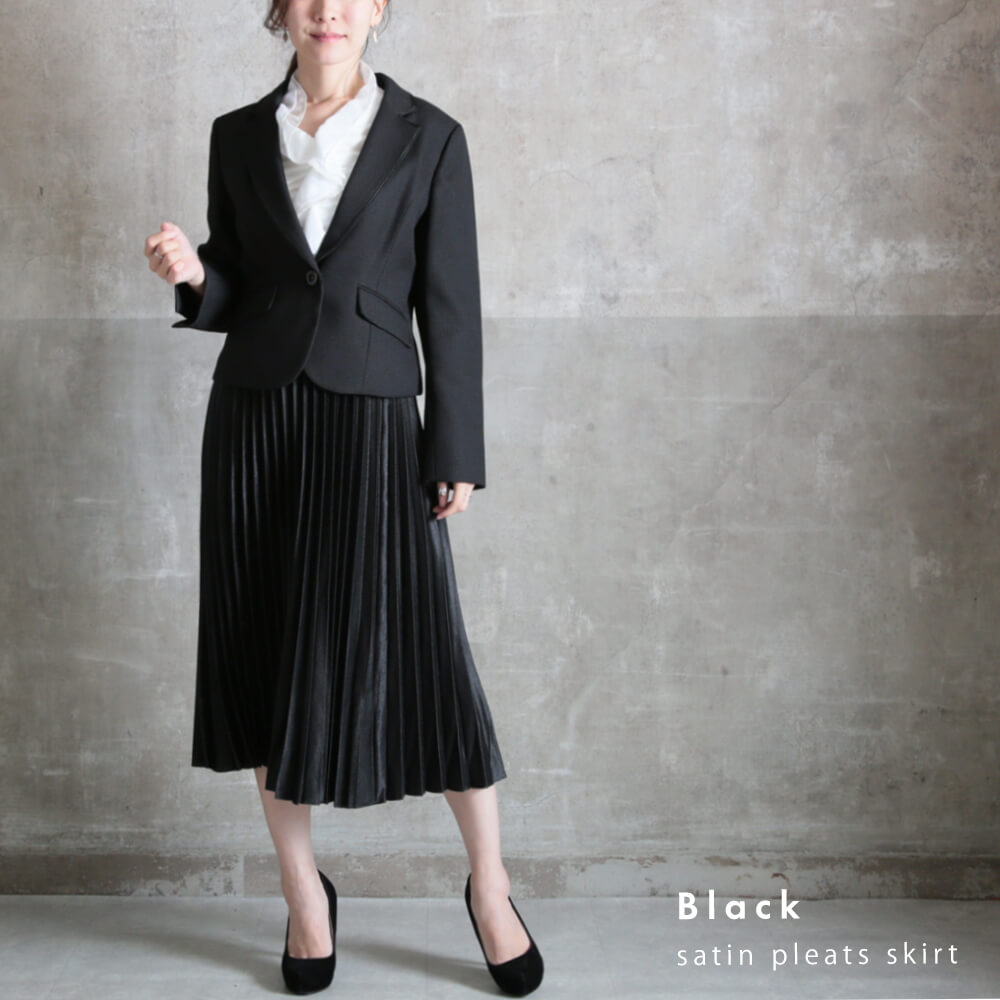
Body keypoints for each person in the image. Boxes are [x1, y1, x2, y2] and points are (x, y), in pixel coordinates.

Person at [142, 1, 543, 995]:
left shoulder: (430, 136)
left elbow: (449, 304)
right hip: (256, 418)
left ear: (377, 11)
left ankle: (490, 886)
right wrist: (194, 277)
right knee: (264, 652)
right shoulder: (238, 134)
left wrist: (453, 449)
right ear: (282, 12)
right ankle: (303, 896)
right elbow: (239, 283)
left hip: (373, 420)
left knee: (426, 654)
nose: (330, 10)